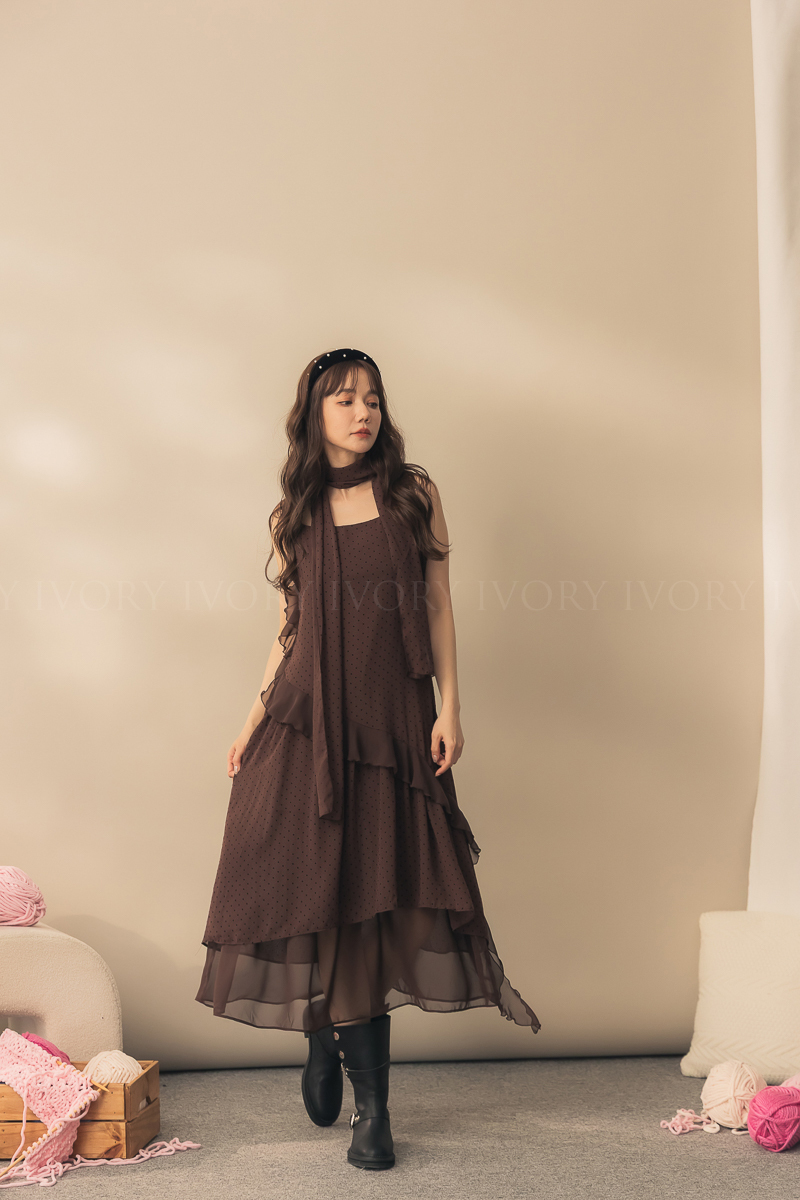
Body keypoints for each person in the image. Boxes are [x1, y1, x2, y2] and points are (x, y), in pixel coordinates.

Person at [195, 347, 541, 1170]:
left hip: (390, 730)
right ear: (314, 414)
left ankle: (372, 1113)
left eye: (373, 399)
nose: (363, 413)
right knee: (311, 887)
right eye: (345, 400)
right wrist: (249, 719)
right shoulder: (295, 512)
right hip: (305, 725)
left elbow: (438, 605)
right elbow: (292, 631)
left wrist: (451, 705)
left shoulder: (414, 494)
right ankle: (327, 1038)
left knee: (369, 905)